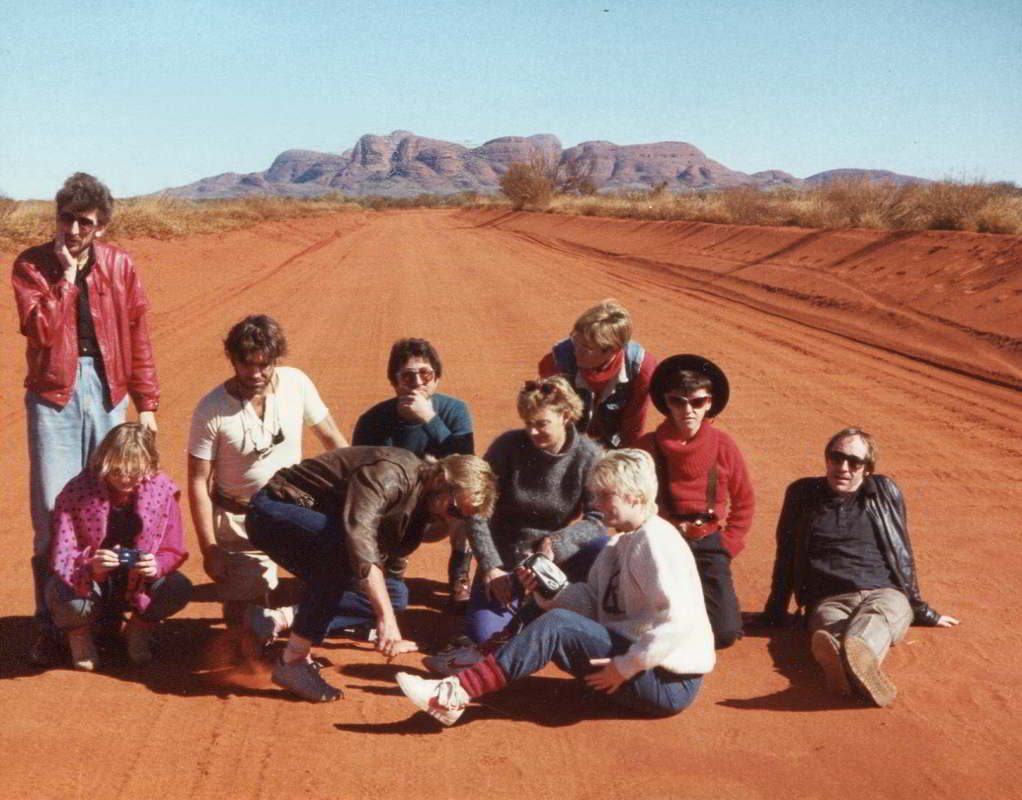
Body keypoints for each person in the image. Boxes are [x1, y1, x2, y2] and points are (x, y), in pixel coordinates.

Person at [396, 449, 715, 727]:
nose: (598, 504)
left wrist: (625, 666)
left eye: (607, 496)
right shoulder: (619, 543)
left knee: (559, 626)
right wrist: (549, 589)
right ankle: (481, 659)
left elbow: (678, 621)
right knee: (548, 609)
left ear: (635, 496)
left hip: (667, 681)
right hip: (638, 663)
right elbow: (594, 605)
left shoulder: (657, 542)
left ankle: (455, 694)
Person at [12, 173, 160, 665]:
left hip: (108, 389)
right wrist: (66, 280)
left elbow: (137, 334)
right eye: (66, 218)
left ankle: (111, 616)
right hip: (54, 394)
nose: (73, 230)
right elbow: (40, 332)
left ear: (101, 226)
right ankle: (54, 624)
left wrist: (148, 404)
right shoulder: (32, 266)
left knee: (114, 497)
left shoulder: (121, 265)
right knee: (53, 513)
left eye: (85, 222)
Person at [244, 448, 497, 702]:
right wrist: (385, 618)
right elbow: (360, 542)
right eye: (453, 510)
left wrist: (386, 607)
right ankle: (294, 660)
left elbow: (384, 554)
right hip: (272, 514)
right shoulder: (390, 474)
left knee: (395, 595)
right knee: (344, 555)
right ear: (441, 479)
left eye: (460, 518)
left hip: (321, 532)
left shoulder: (425, 498)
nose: (451, 522)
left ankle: (281, 618)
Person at [760, 428, 959, 707]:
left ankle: (847, 662)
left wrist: (921, 609)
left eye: (854, 462)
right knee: (828, 630)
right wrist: (775, 611)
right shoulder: (802, 494)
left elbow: (903, 552)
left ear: (867, 469)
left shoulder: (884, 491)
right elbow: (786, 554)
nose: (843, 468)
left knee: (875, 619)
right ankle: (854, 666)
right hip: (829, 599)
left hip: (884, 593)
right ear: (826, 458)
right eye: (836, 457)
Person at [187, 315, 347, 629]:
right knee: (246, 620)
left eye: (266, 364)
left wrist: (358, 482)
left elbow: (331, 436)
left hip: (293, 511)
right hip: (239, 521)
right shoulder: (211, 409)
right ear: (232, 359)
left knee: (332, 576)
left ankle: (298, 647)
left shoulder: (296, 382)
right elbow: (197, 480)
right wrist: (210, 549)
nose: (257, 374)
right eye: (247, 364)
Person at [462, 376, 607, 645]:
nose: (532, 432)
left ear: (565, 416)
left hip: (552, 562)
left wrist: (556, 542)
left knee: (602, 545)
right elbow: (476, 509)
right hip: (506, 562)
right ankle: (534, 615)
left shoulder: (588, 455)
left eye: (541, 424)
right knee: (484, 637)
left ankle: (563, 610)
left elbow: (598, 520)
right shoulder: (507, 446)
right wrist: (491, 567)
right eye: (528, 424)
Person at [46, 423, 191, 671]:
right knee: (61, 593)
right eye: (115, 470)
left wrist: (156, 565)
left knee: (177, 588)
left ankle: (137, 629)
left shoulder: (162, 490)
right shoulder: (77, 491)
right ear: (103, 461)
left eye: (134, 471)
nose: (124, 478)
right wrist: (91, 566)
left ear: (150, 466)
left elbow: (173, 549)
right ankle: (79, 635)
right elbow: (62, 552)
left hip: (137, 581)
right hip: (93, 582)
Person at [638, 354, 754, 649]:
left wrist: (729, 544)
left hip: (709, 542)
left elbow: (744, 500)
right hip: (664, 543)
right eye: (678, 401)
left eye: (697, 402)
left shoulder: (723, 445)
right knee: (652, 627)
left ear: (710, 402)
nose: (687, 410)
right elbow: (629, 498)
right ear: (666, 402)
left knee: (725, 633)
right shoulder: (647, 447)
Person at [352, 338, 474, 606]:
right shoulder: (372, 420)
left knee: (469, 494)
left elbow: (465, 463)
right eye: (407, 376)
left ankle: (459, 575)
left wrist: (430, 420)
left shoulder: (455, 411)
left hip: (440, 509)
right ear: (395, 382)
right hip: (394, 509)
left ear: (437, 378)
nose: (418, 382)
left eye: (426, 374)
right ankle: (391, 562)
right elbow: (360, 479)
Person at [538, 298, 657, 449]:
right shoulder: (556, 363)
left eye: (586, 346)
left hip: (612, 444)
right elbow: (550, 421)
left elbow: (633, 426)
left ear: (612, 350)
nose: (576, 350)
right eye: (575, 340)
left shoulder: (641, 369)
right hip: (569, 442)